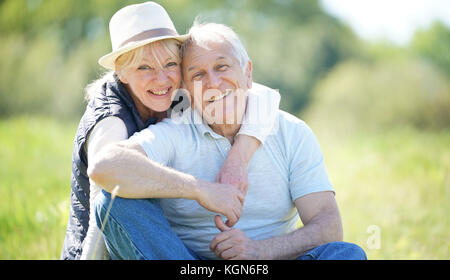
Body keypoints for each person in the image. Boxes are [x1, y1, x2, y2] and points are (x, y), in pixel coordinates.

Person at [89, 21, 367, 260]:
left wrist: (257, 251)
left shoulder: (292, 132)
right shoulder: (175, 131)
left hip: (268, 259)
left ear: (247, 73)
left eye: (222, 67)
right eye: (198, 74)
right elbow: (104, 166)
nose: (213, 83)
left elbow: (329, 227)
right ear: (185, 87)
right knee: (113, 201)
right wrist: (200, 189)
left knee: (346, 254)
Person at [60, 1, 280, 260]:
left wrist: (238, 157)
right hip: (108, 250)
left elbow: (263, 96)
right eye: (144, 67)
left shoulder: (177, 95)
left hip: (160, 246)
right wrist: (200, 189)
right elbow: (104, 182)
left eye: (170, 64)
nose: (162, 79)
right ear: (121, 71)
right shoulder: (111, 118)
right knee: (118, 196)